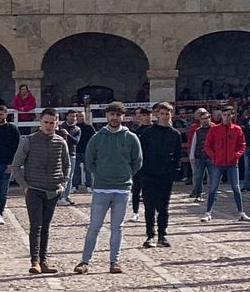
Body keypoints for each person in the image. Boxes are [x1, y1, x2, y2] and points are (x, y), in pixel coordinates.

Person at [75, 102, 144, 274]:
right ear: (107, 116)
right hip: (101, 189)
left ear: (123, 116)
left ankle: (115, 261)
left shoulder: (131, 138)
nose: (114, 118)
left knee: (117, 227)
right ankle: (85, 261)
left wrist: (125, 174)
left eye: (118, 114)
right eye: (111, 114)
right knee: (94, 226)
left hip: (122, 189)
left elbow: (138, 161)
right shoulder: (97, 138)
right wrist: (101, 174)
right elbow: (90, 161)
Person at [10, 107, 71, 274]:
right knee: (35, 226)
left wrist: (63, 184)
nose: (49, 126)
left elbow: (67, 165)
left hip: (52, 190)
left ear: (57, 123)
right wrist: (25, 186)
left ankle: (44, 260)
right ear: (40, 122)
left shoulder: (60, 142)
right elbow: (16, 165)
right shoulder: (29, 140)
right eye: (46, 122)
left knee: (46, 226)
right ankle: (35, 260)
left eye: (52, 123)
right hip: (34, 189)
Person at [136, 102, 182, 248]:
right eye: (162, 113)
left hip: (165, 174)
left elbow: (177, 155)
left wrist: (175, 171)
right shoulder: (148, 132)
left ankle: (162, 235)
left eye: (167, 114)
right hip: (149, 174)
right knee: (149, 205)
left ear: (171, 115)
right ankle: (150, 235)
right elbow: (140, 153)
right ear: (157, 115)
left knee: (164, 206)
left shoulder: (175, 134)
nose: (164, 116)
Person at [201, 104, 248, 222]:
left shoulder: (237, 129)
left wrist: (236, 155)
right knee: (213, 188)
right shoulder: (215, 129)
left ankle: (241, 212)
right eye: (224, 115)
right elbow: (207, 145)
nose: (226, 117)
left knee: (236, 188)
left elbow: (242, 145)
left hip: (232, 163)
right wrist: (214, 156)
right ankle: (208, 212)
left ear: (232, 115)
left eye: (228, 115)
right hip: (218, 163)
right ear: (221, 115)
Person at [185, 107, 212, 200]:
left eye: (206, 118)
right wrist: (191, 155)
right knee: (198, 176)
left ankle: (211, 193)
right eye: (202, 118)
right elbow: (193, 142)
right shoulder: (196, 129)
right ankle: (197, 192)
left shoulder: (215, 129)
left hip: (211, 156)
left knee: (212, 177)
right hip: (199, 155)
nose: (204, 120)